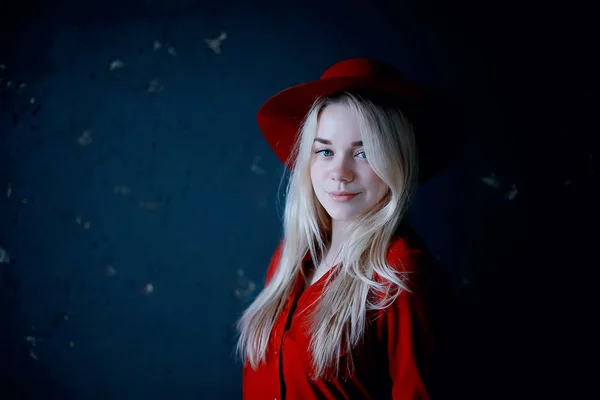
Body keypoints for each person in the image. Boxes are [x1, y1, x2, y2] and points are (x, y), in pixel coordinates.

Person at [236, 58, 443, 399]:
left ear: (397, 161)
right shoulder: (290, 256)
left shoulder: (401, 271)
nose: (340, 173)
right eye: (326, 151)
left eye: (363, 153)